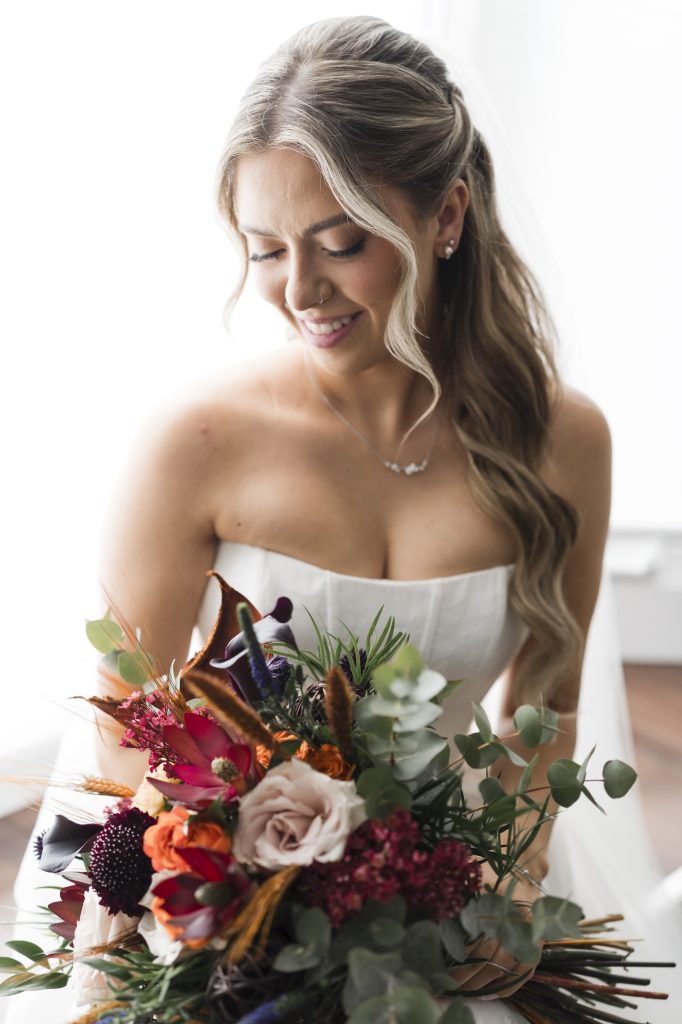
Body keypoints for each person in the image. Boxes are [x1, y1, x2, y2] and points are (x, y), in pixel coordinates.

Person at [8, 15, 681, 1023]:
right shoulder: (195, 441)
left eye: (341, 242)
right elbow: (122, 739)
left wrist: (509, 894)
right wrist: (165, 946)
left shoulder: (563, 441)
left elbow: (546, 716)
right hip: (208, 921)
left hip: (447, 912)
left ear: (446, 214)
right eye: (264, 249)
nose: (299, 290)